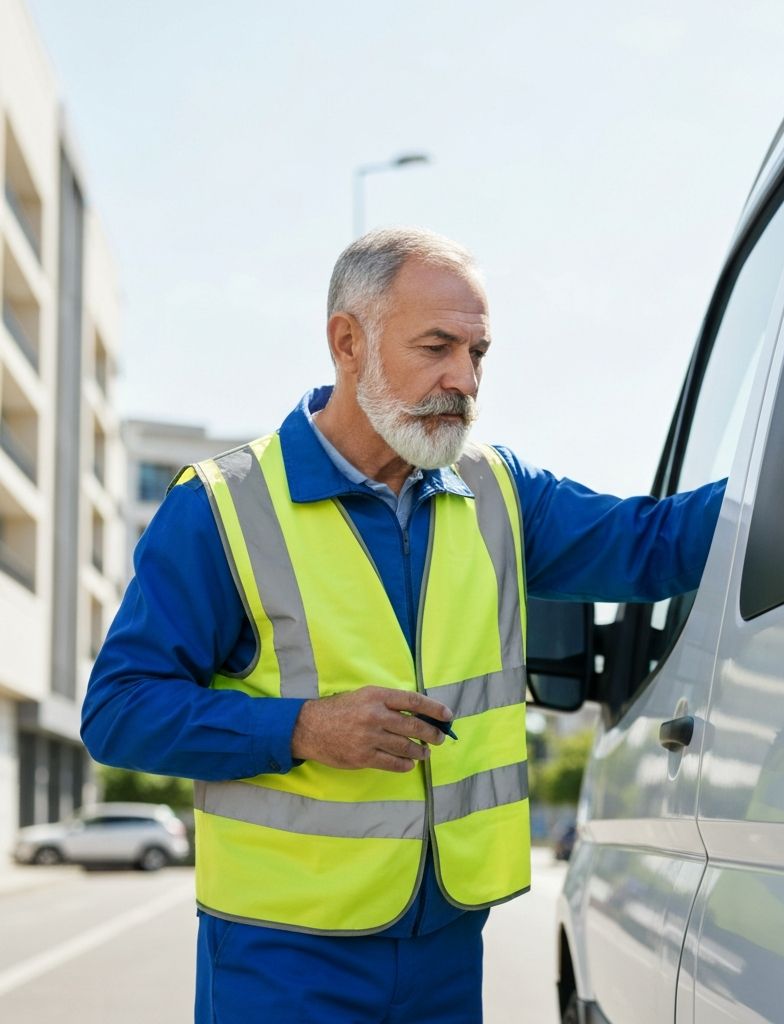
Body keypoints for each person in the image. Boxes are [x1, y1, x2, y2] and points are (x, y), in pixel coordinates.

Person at [82, 227, 726, 1024]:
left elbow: (654, 541)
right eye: (437, 347)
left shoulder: (496, 489)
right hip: (283, 962)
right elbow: (117, 712)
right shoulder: (221, 507)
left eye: (479, 353)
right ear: (347, 343)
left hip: (446, 947)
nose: (465, 379)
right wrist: (303, 728)